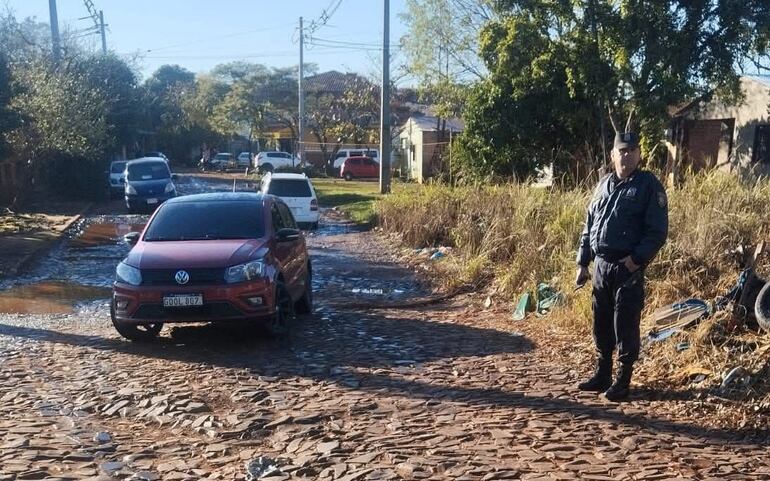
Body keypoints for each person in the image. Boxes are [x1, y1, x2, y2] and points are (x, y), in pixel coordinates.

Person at [575, 131, 669, 401]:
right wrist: (583, 262)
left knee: (625, 325)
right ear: (613, 155)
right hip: (601, 266)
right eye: (622, 151)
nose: (626, 155)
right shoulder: (603, 184)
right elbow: (589, 225)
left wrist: (636, 260)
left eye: (632, 150)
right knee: (601, 322)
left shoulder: (648, 186)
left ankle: (623, 380)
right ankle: (603, 373)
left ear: (639, 154)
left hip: (627, 267)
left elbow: (657, 231)